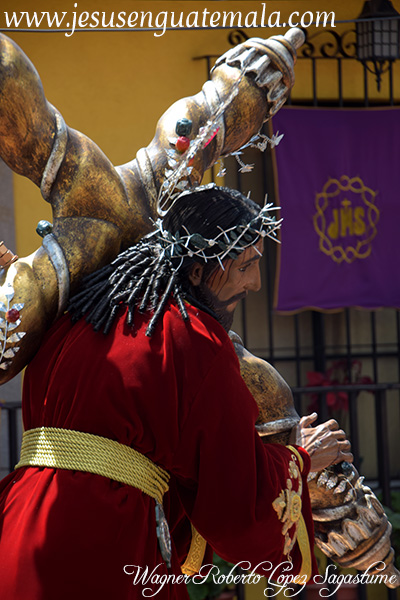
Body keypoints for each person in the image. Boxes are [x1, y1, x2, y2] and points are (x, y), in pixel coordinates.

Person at [0, 185, 352, 600]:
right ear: (197, 270)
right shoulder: (194, 338)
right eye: (244, 266)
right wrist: (302, 458)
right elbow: (232, 491)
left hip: (18, 520)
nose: (255, 283)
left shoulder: (79, 315)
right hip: (100, 540)